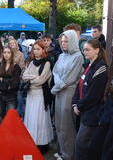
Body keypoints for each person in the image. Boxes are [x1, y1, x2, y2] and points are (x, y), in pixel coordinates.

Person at [71, 39, 108, 160]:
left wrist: (79, 106)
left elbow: (93, 94)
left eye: (87, 50)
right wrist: (74, 103)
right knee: (80, 144)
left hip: (92, 113)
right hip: (84, 110)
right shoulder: (89, 66)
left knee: (82, 145)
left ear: (97, 50)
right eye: (83, 49)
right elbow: (79, 86)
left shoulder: (101, 68)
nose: (84, 52)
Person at [51, 30, 84, 160]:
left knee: (67, 126)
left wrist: (58, 84)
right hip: (59, 91)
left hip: (69, 93)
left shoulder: (78, 57)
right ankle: (62, 150)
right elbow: (55, 72)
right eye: (62, 41)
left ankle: (68, 155)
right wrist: (59, 84)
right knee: (58, 124)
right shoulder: (61, 56)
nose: (63, 44)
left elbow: (69, 79)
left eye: (66, 41)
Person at [22, 40, 54, 155]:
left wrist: (32, 79)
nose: (35, 52)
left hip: (41, 95)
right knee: (31, 119)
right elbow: (24, 76)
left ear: (43, 50)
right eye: (34, 49)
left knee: (40, 120)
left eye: (38, 49)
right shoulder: (32, 62)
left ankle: (42, 144)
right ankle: (33, 143)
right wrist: (34, 77)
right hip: (31, 94)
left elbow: (41, 80)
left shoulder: (47, 63)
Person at [0, 46, 21, 126]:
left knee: (10, 117)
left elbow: (14, 82)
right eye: (4, 52)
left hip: (11, 96)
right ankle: (1, 134)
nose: (6, 54)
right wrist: (6, 86)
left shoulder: (16, 67)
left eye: (8, 52)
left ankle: (9, 134)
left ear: (11, 54)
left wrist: (3, 81)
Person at [8, 38, 25, 117]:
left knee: (19, 96)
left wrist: (14, 66)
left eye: (13, 43)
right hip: (8, 77)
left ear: (16, 44)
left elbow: (22, 66)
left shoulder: (20, 54)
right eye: (10, 43)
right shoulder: (7, 53)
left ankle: (20, 113)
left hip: (18, 78)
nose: (12, 45)